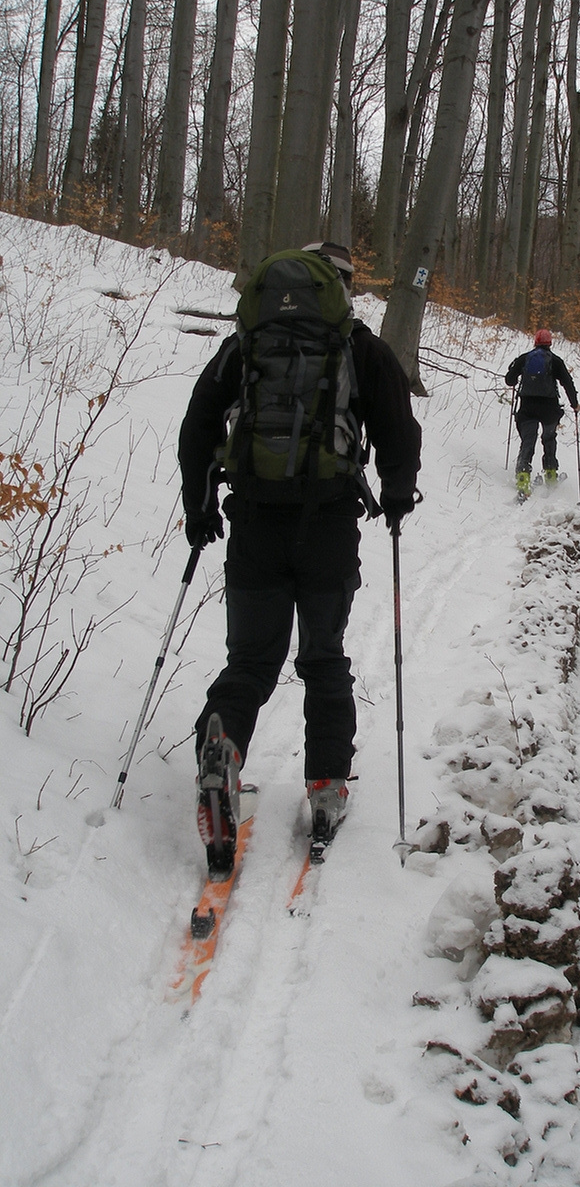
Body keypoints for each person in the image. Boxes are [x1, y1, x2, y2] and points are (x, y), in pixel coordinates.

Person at [178, 241, 421, 874]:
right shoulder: (359, 347)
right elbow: (399, 428)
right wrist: (396, 498)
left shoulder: (248, 344)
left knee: (252, 661)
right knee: (323, 657)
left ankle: (224, 748)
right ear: (343, 289)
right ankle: (326, 788)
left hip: (255, 523)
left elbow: (199, 425)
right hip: (330, 528)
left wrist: (201, 508)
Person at [504, 328, 579, 499]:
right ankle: (551, 475)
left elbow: (509, 380)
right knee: (549, 438)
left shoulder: (524, 358)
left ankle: (523, 478)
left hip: (528, 406)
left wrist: (517, 376)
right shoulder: (556, 361)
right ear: (550, 343)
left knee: (528, 441)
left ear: (535, 342)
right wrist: (575, 404)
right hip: (549, 409)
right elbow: (567, 383)